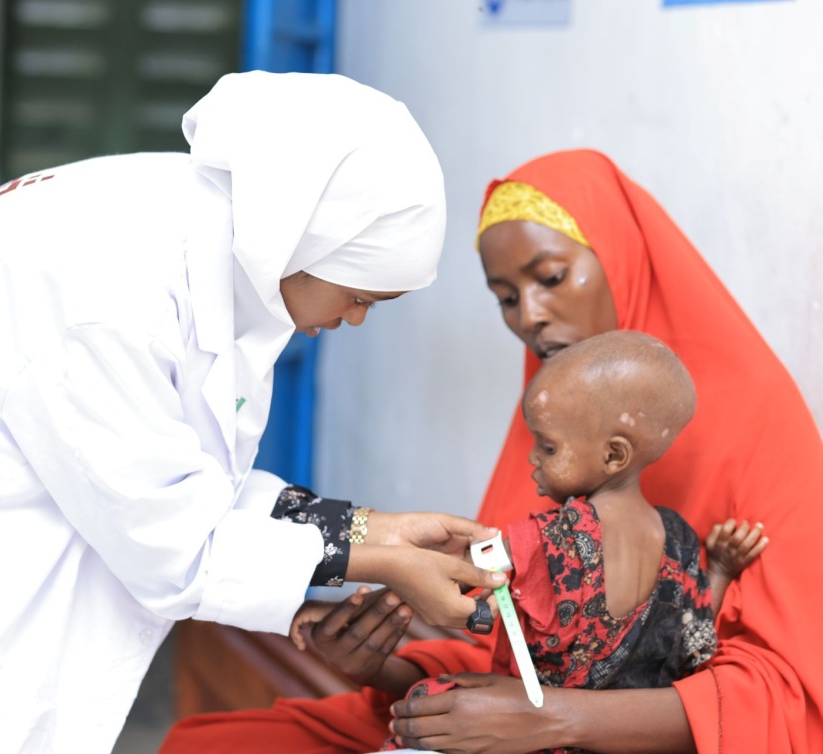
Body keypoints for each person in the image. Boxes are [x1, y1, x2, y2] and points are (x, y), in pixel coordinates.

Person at [0, 71, 513, 754]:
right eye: (362, 294)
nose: (358, 318)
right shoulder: (111, 284)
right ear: (309, 238)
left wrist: (376, 528)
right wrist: (379, 560)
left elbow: (182, 474)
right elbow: (171, 538)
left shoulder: (195, 238)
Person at [159, 149, 823, 753]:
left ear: (619, 257)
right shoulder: (555, 397)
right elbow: (514, 650)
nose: (529, 316)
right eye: (506, 297)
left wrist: (559, 718)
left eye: (552, 277)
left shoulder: (750, 415)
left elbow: (783, 695)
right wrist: (381, 665)